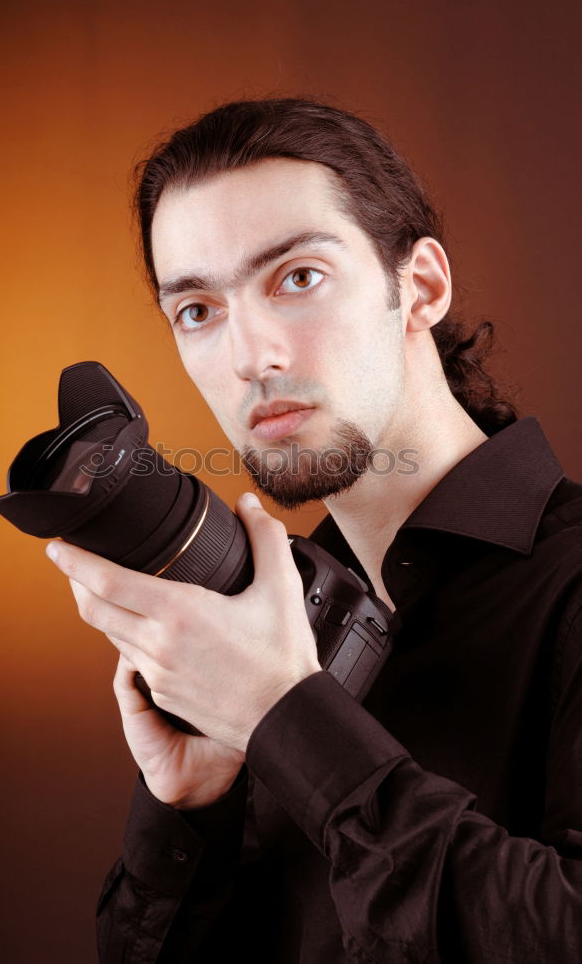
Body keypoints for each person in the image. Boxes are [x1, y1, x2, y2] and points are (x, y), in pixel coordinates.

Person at [45, 99, 582, 962]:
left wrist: (288, 721)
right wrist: (191, 807)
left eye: (298, 277)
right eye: (198, 310)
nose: (250, 355)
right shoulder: (260, 615)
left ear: (422, 287)